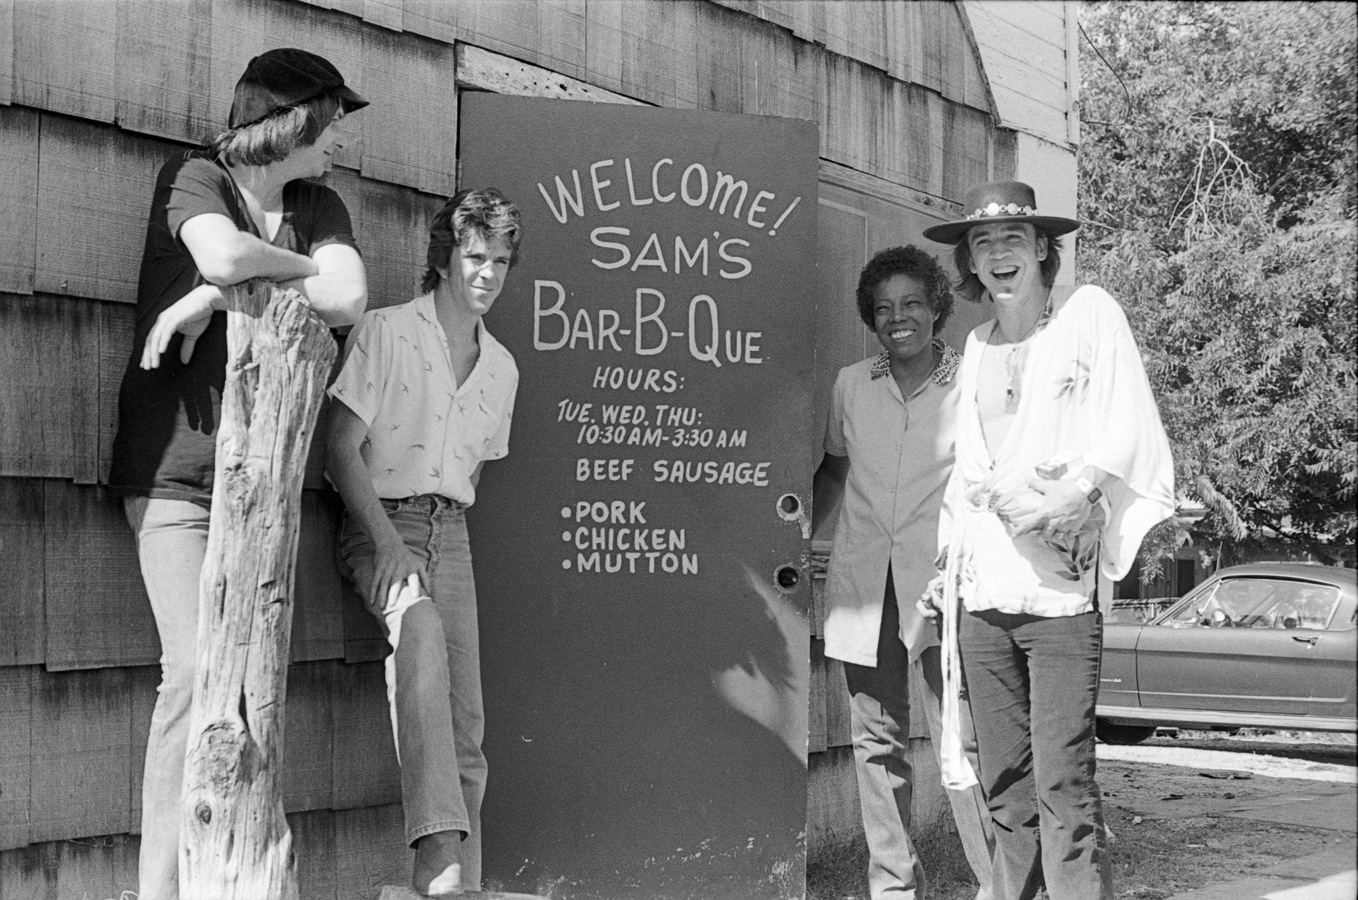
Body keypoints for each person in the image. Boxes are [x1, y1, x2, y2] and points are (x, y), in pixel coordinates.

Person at [108, 48, 369, 900]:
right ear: (296, 123)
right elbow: (221, 256)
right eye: (331, 124)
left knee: (251, 682)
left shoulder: (319, 202)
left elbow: (351, 297)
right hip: (178, 474)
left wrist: (218, 299)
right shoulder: (195, 178)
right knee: (193, 676)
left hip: (265, 484)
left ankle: (235, 873)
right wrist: (228, 284)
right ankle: (157, 891)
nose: (336, 144)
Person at [920, 181, 1175, 900]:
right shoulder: (973, 346)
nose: (997, 255)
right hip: (982, 596)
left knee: (1064, 784)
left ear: (1041, 251)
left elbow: (1129, 424)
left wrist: (1086, 491)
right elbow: (964, 476)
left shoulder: (1087, 318)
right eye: (982, 244)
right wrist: (946, 565)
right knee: (1004, 787)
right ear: (970, 261)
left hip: (1058, 598)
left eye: (1012, 240)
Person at [325, 188, 522, 896]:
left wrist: (433, 537)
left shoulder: (501, 368)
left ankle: (459, 886)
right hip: (381, 520)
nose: (487, 274)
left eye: (500, 261)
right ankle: (438, 862)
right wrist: (386, 544)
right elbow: (340, 449)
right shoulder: (387, 331)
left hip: (453, 529)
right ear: (444, 258)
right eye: (474, 257)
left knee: (466, 719)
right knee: (421, 629)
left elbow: (471, 466)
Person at [812, 246, 995, 900]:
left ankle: (997, 883)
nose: (898, 318)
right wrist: (809, 529)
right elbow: (834, 469)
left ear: (937, 306)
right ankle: (894, 888)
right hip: (865, 588)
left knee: (965, 744)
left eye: (912, 303)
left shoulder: (970, 382)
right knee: (876, 746)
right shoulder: (850, 385)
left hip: (944, 589)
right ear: (870, 314)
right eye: (884, 307)